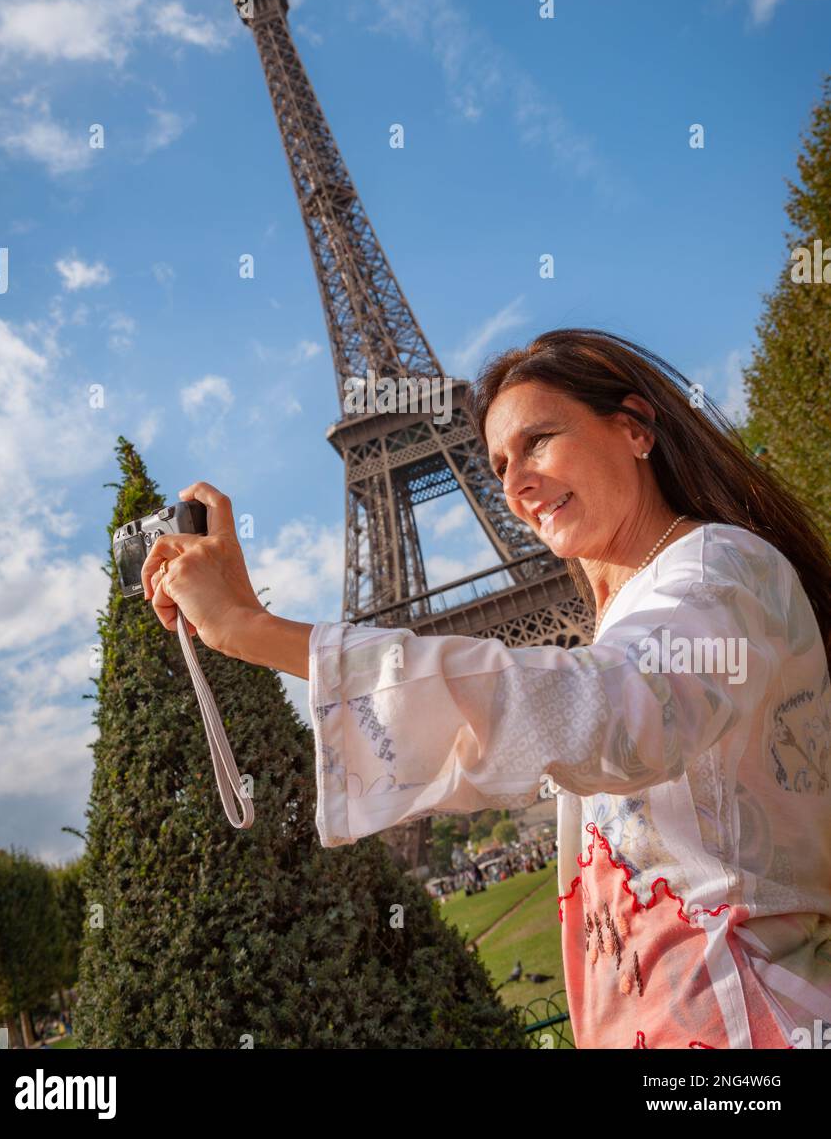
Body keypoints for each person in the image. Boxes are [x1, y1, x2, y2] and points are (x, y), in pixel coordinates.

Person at [140, 328, 831, 1051]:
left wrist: (254, 629)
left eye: (538, 441)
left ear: (633, 428)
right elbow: (521, 728)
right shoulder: (654, 605)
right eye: (499, 464)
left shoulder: (719, 566)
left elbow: (614, 711)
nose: (515, 485)